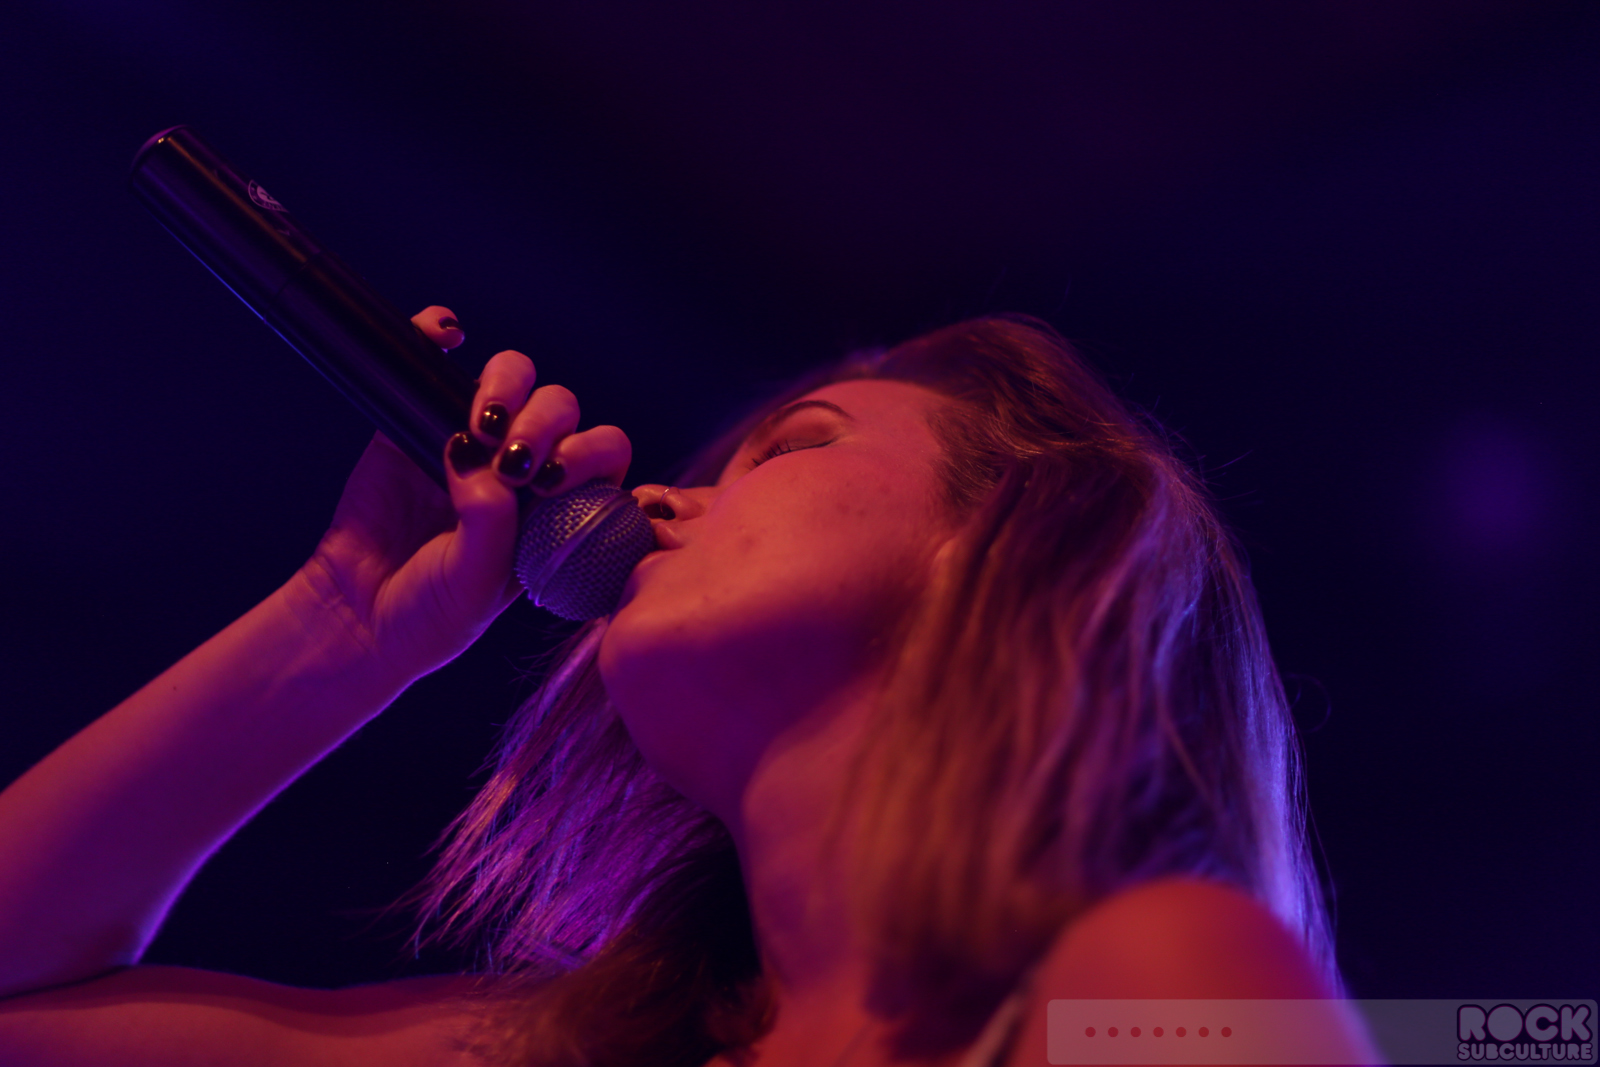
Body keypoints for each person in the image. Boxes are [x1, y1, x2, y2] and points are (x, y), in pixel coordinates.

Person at [0, 308, 1375, 1066]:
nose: (657, 498)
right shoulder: (574, 1051)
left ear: (1002, 546)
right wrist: (337, 624)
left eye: (790, 449)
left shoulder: (1143, 989)